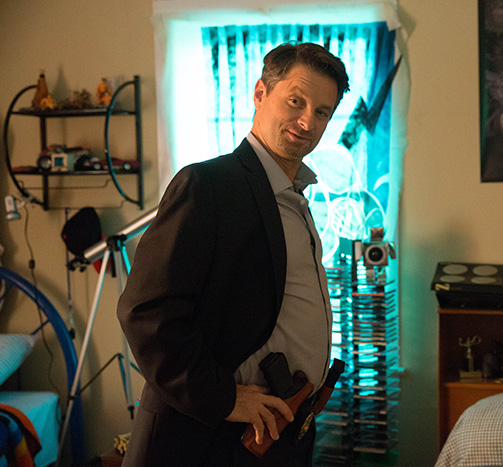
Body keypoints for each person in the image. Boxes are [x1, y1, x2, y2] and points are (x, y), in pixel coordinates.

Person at [117, 42, 350, 467]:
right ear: (260, 93)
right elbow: (146, 312)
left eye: (322, 112)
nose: (307, 121)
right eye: (296, 101)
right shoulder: (207, 185)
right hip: (209, 437)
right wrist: (223, 398)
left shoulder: (296, 197)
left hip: (278, 431)